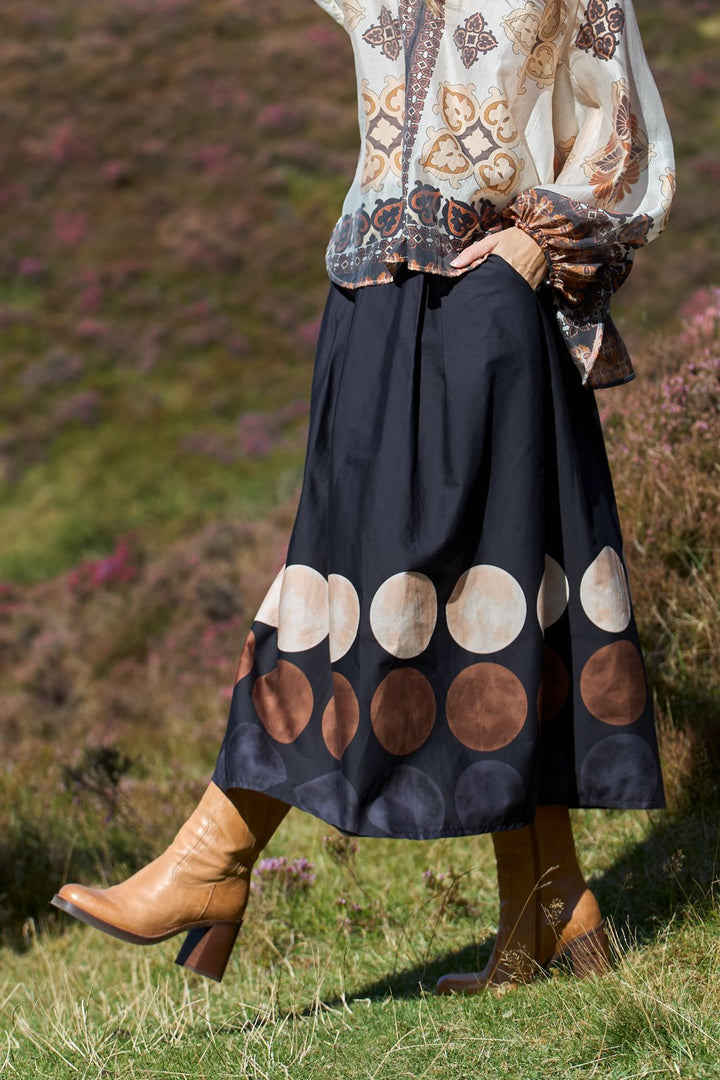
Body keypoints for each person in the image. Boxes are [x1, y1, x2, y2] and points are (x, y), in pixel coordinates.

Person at [52, 0, 675, 994]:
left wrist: (540, 240)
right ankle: (553, 904)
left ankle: (212, 859)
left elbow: (619, 119)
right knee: (405, 580)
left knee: (433, 589)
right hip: (363, 308)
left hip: (482, 300)